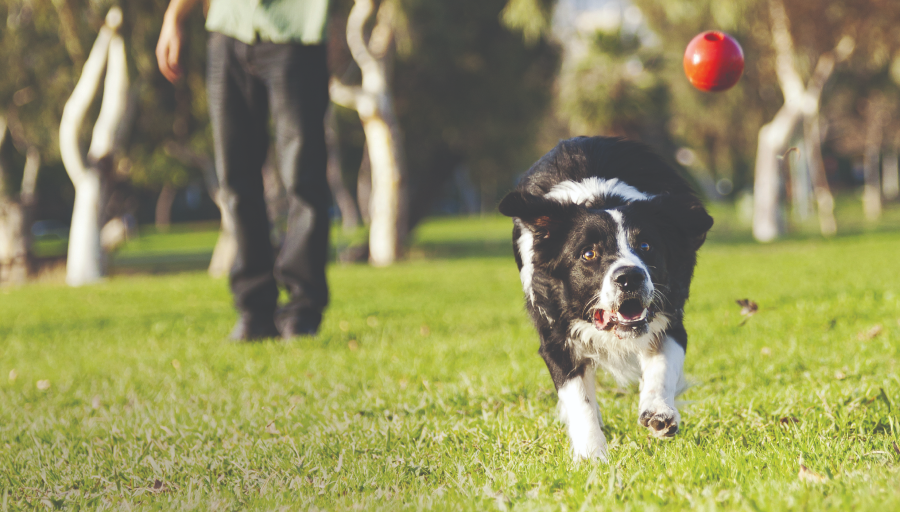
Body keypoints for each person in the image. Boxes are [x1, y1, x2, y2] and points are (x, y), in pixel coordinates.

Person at [156, 0, 332, 340]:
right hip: (229, 28)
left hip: (295, 32)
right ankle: (254, 309)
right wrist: (174, 16)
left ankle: (302, 310)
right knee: (235, 180)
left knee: (302, 178)